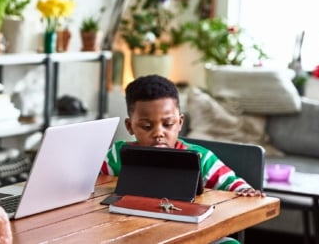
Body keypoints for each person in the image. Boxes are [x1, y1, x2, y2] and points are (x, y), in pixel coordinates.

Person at [102, 74, 264, 243]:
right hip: (135, 234)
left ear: (179, 123)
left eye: (168, 124)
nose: (158, 133)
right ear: (130, 126)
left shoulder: (201, 158)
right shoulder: (118, 154)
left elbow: (234, 186)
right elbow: (91, 182)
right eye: (146, 126)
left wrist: (245, 191)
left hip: (193, 236)